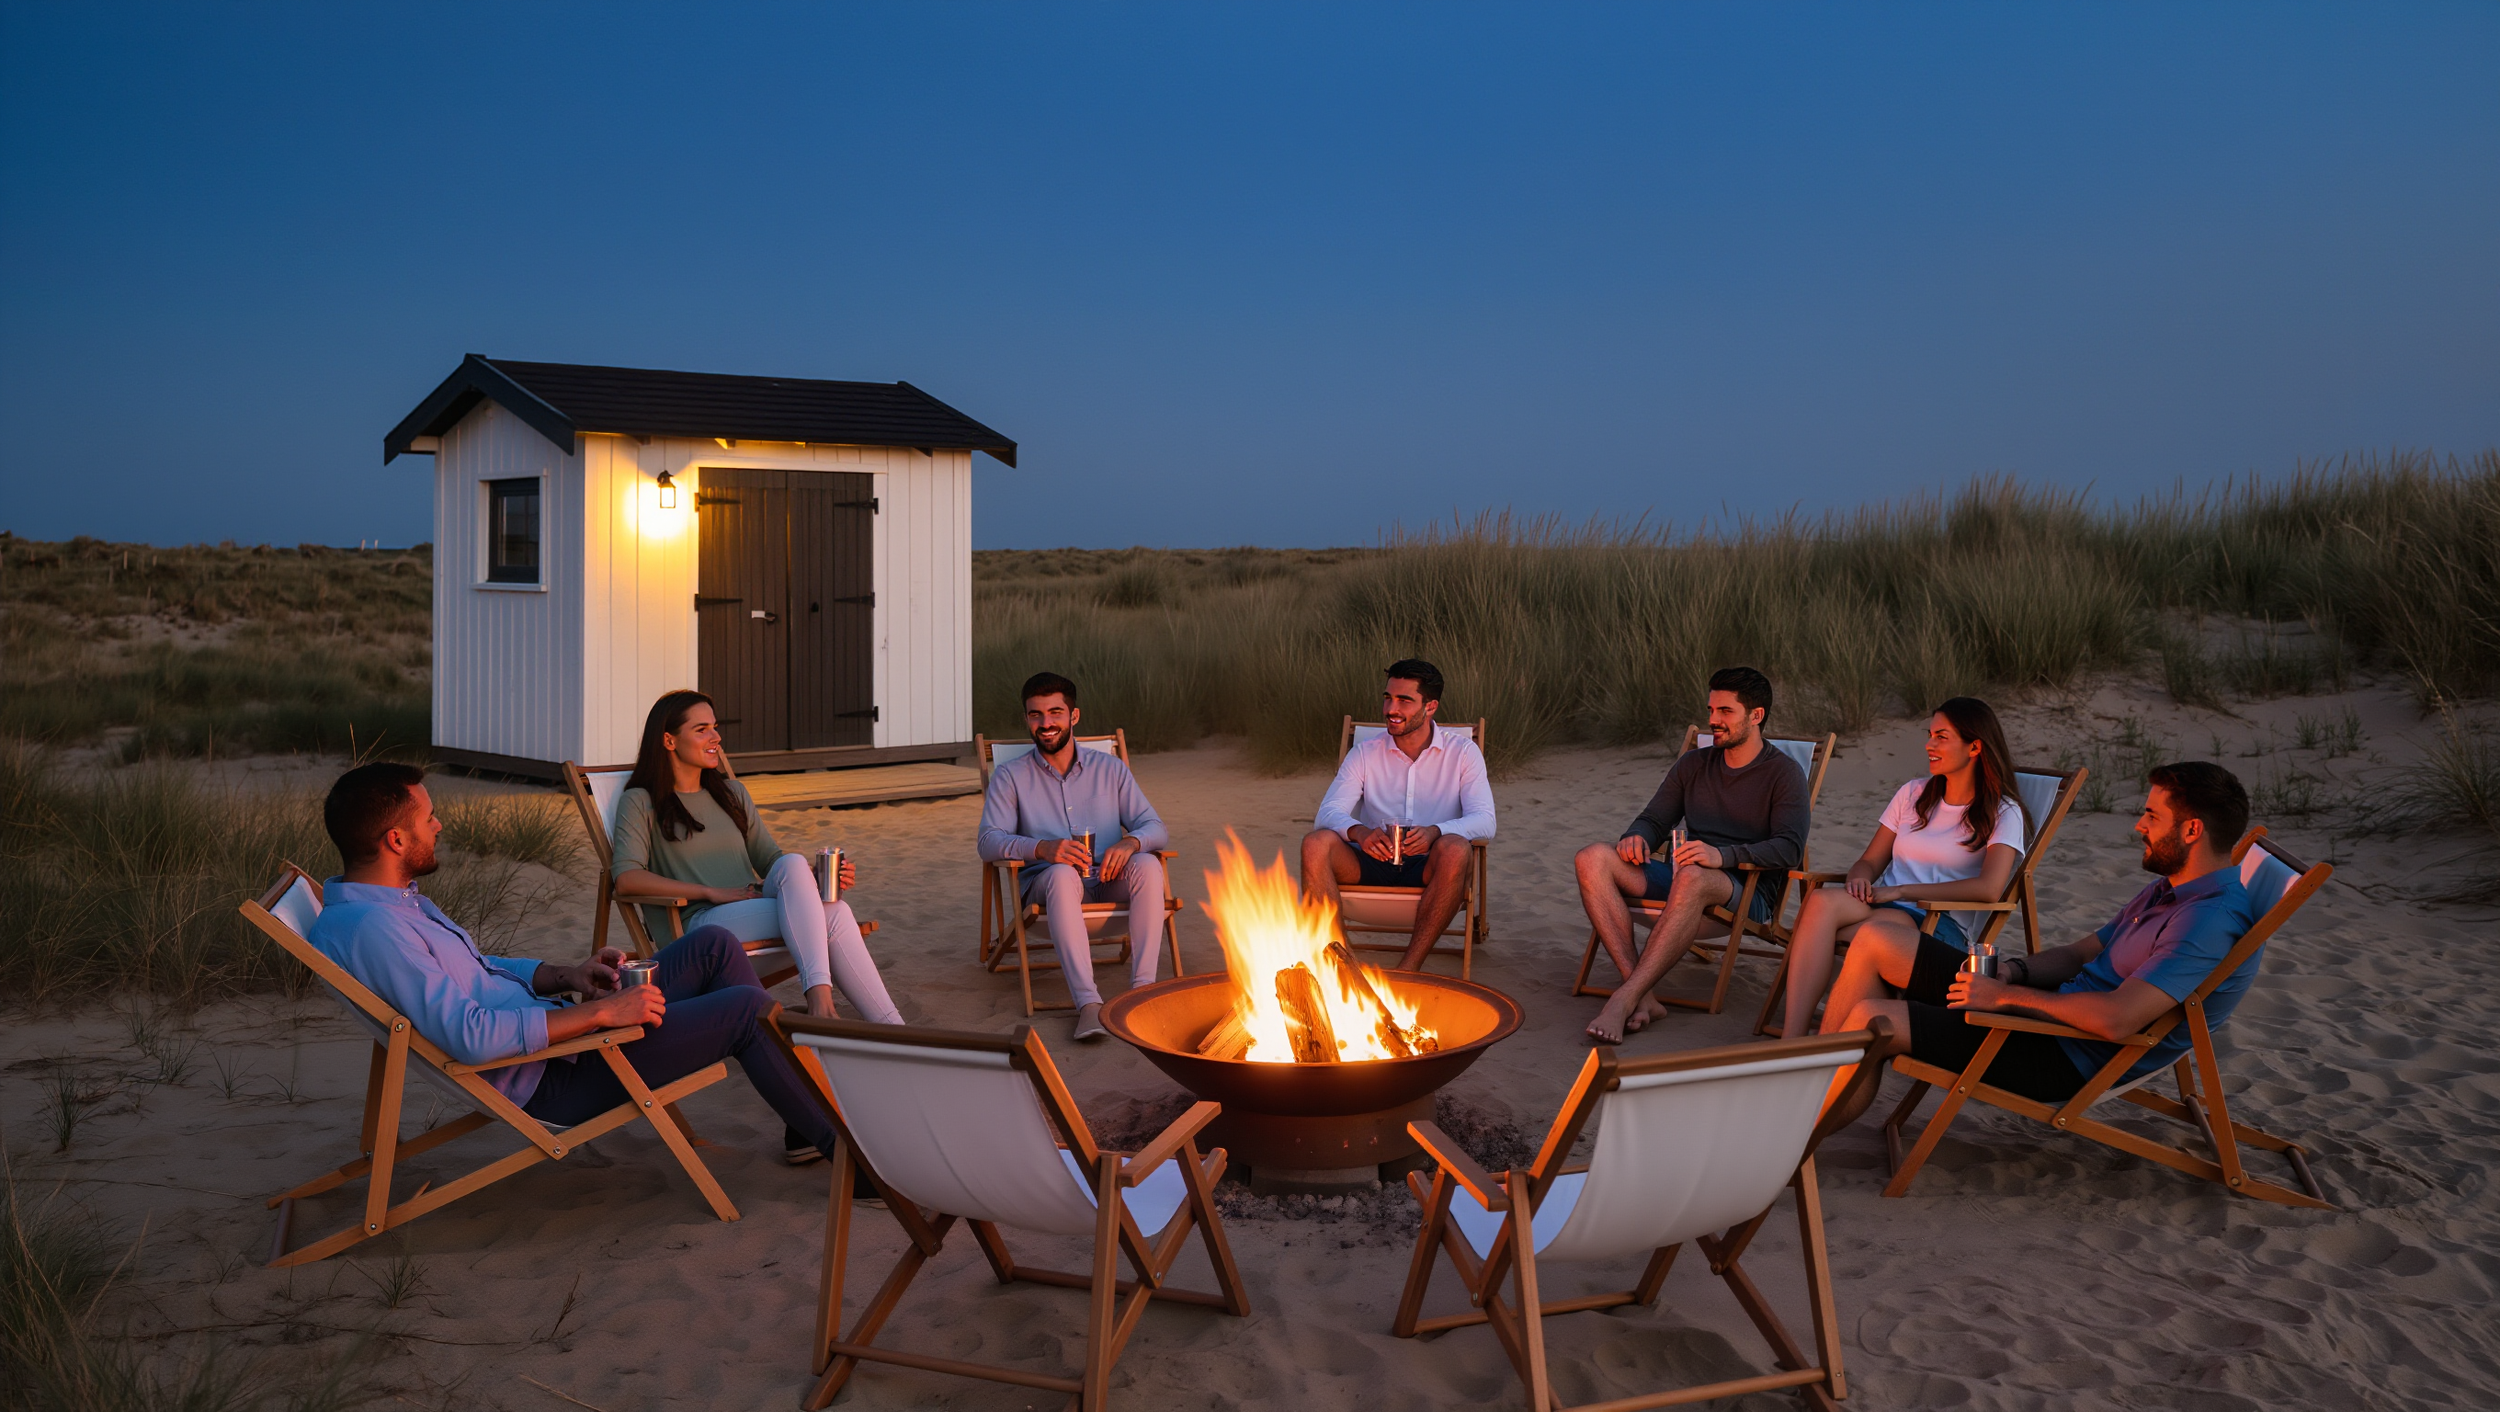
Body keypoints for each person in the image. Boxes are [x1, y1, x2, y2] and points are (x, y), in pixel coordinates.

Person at [307, 762, 843, 1169]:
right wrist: (602, 1016)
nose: (439, 824)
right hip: (560, 1079)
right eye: (427, 818)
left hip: (564, 1042)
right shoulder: (374, 931)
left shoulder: (389, 902)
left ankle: (805, 1121)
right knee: (746, 1010)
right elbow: (469, 1037)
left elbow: (476, 966)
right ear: (395, 839)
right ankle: (852, 1160)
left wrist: (567, 975)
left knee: (715, 946)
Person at [1818, 762, 2259, 1112]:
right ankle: (1809, 1081)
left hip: (2061, 1053)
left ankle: (1801, 1128)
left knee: (1874, 1019)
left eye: (2151, 815)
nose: (2139, 826)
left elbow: (2117, 1020)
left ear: (2192, 830)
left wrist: (2006, 1000)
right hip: (2042, 1008)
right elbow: (2084, 951)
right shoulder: (2169, 889)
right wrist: (2012, 974)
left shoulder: (2206, 922)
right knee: (1876, 939)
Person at [609, 689, 904, 1031]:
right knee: (834, 915)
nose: (716, 737)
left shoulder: (732, 793)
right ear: (669, 740)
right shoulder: (641, 801)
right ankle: (839, 1009)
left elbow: (772, 861)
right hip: (699, 926)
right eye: (701, 729)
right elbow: (627, 879)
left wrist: (814, 879)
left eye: (715, 727)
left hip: (749, 908)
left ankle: (890, 1028)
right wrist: (709, 892)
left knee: (800, 870)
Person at [1573, 666, 1808, 1044]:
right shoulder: (1694, 764)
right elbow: (1653, 819)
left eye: (1725, 712)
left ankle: (1622, 999)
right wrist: (1637, 837)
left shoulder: (1783, 773)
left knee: (1693, 876)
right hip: (1683, 877)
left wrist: (1723, 856)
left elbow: (1790, 848)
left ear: (1756, 716)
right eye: (1711, 710)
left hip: (1745, 893)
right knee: (1591, 857)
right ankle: (1643, 994)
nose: (1713, 721)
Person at [1773, 697, 2031, 1040]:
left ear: (1975, 747)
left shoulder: (2003, 811)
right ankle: (1794, 1038)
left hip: (1938, 923)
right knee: (1818, 903)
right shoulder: (1913, 794)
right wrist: (1860, 880)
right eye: (1929, 734)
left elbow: (1989, 888)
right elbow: (1869, 861)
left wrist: (1902, 890)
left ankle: (1823, 1041)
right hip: (1882, 905)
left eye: (1942, 736)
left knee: (1824, 928)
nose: (1929, 744)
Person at [977, 672, 1173, 1042]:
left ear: (1074, 716)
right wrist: (1042, 849)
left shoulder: (1110, 769)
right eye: (1036, 715)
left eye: (1055, 712)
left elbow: (1154, 827)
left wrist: (1131, 843)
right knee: (1063, 874)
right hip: (1050, 887)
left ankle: (1140, 994)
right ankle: (1088, 1005)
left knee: (1147, 863)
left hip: (1108, 880)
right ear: (1027, 719)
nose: (1046, 723)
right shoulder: (1011, 776)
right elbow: (988, 841)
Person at [1301, 659, 1497, 971]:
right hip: (1371, 858)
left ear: (1430, 706)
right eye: (1388, 697)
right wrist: (1359, 833)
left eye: (1404, 700)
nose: (1391, 708)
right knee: (1316, 844)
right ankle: (1341, 962)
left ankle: (1409, 968)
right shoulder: (1365, 752)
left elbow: (1485, 820)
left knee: (1456, 848)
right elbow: (1328, 813)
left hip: (1428, 866)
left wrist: (1435, 832)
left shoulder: (1461, 753)